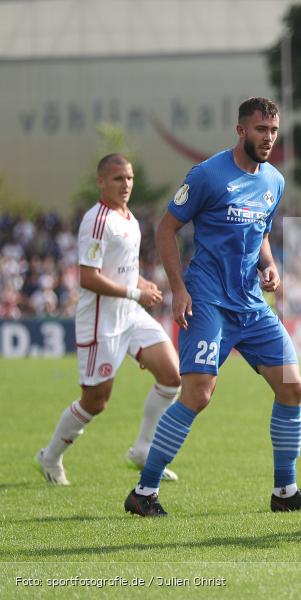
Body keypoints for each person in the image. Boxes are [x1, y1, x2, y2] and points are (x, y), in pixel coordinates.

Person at [124, 97, 301, 516]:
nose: (268, 138)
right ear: (241, 131)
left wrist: (270, 267)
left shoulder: (274, 181)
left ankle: (285, 493)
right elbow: (166, 229)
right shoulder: (207, 175)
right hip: (208, 300)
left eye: (273, 131)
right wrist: (178, 289)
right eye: (260, 130)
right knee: (198, 395)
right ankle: (143, 493)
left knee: (292, 388)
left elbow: (262, 234)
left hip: (251, 304)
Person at [35, 154, 181, 486]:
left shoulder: (127, 217)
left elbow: (123, 266)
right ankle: (50, 457)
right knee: (96, 402)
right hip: (101, 322)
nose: (126, 184)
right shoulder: (97, 220)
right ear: (101, 182)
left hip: (129, 315)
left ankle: (143, 449)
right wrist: (135, 293)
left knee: (172, 376)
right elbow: (87, 277)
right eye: (118, 179)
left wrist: (140, 282)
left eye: (129, 178)